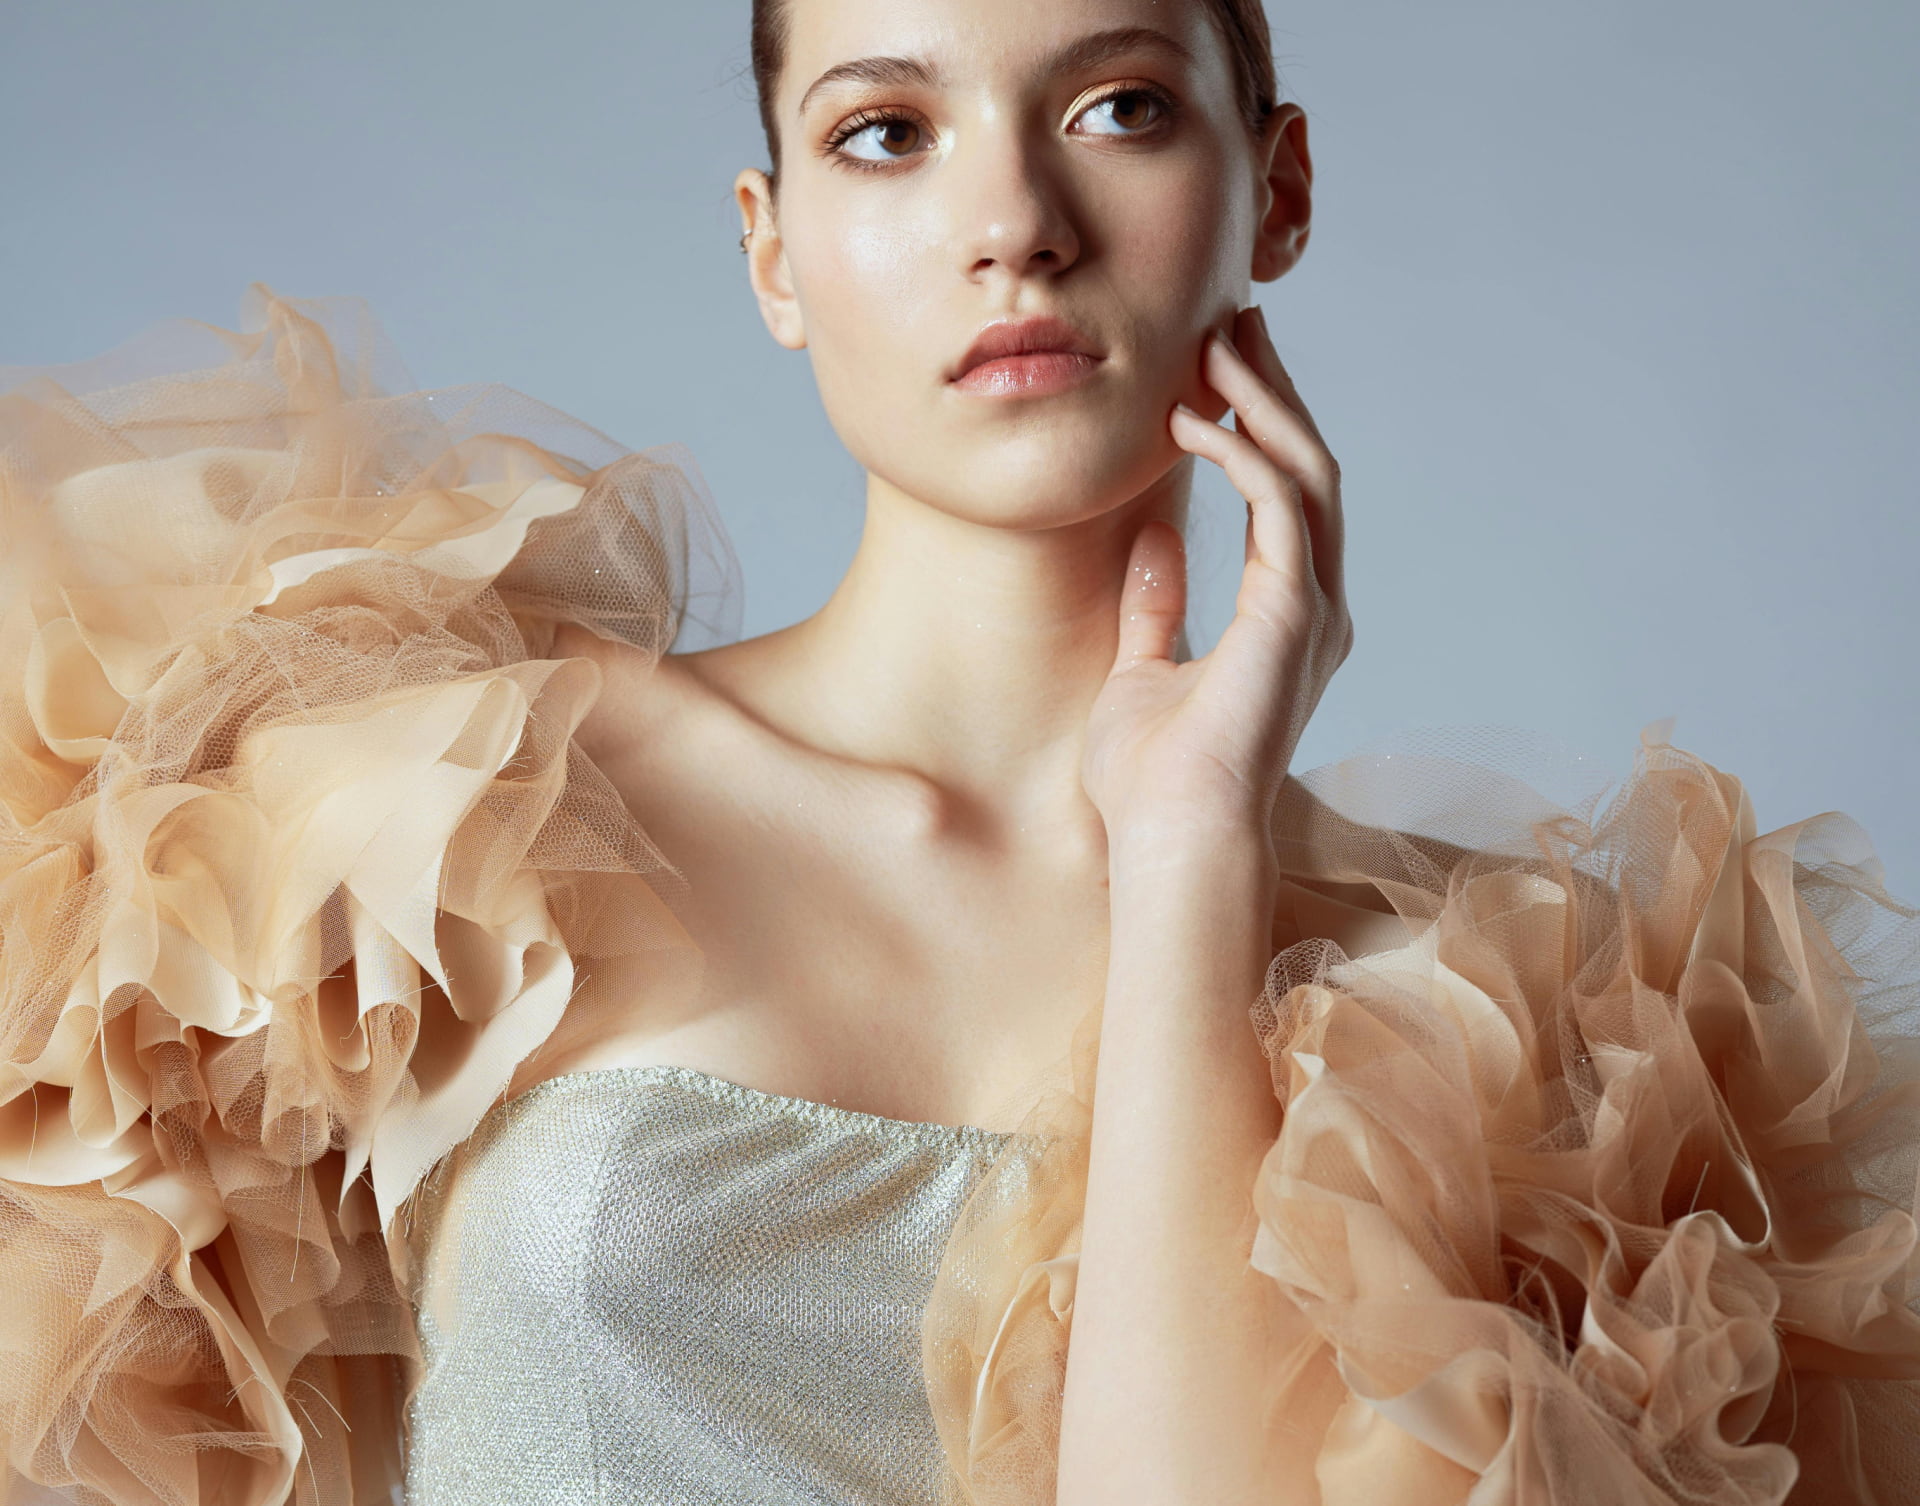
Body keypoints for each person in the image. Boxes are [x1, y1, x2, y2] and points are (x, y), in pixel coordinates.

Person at [2, 0, 1916, 1503]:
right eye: (885, 133)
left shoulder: (1505, 1027)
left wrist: (1189, 861)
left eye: (1118, 107)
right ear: (771, 249)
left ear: (1285, 184)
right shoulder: (448, 803)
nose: (1010, 222)